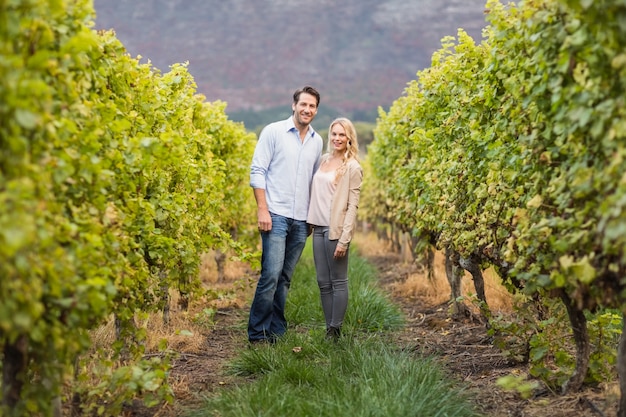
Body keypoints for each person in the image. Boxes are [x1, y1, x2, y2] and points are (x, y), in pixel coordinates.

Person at [247, 86, 323, 344]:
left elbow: (314, 181)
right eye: (304, 104)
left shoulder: (317, 140)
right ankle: (257, 333)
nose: (307, 110)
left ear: (316, 110)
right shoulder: (273, 132)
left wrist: (311, 218)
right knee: (270, 274)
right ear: (294, 105)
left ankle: (276, 331)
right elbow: (257, 171)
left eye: (312, 106)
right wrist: (262, 209)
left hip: (301, 220)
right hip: (275, 214)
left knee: (285, 278)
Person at [307, 117, 362, 341]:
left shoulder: (353, 167)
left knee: (338, 280)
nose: (337, 138)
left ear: (349, 138)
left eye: (342, 134)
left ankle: (335, 330)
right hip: (318, 228)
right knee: (322, 281)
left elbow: (352, 206)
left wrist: (344, 239)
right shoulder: (322, 161)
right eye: (334, 134)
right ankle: (329, 325)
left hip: (335, 229)